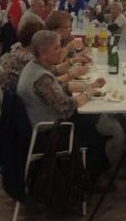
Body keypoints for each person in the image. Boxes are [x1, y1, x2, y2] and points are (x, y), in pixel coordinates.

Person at [17, 30, 110, 186]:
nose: (61, 51)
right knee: (93, 136)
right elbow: (67, 107)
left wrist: (89, 85)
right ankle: (92, 181)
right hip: (48, 134)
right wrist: (88, 92)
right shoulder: (41, 77)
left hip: (38, 126)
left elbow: (60, 85)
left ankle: (96, 168)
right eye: (57, 48)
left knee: (90, 121)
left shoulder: (34, 66)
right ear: (44, 53)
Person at [1, 19, 89, 91]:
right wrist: (72, 75)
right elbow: (49, 83)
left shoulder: (18, 49)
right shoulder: (29, 61)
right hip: (31, 105)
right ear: (37, 42)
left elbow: (52, 70)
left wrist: (72, 61)